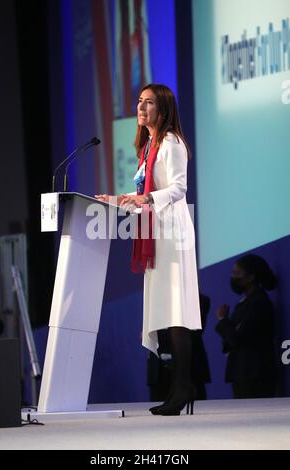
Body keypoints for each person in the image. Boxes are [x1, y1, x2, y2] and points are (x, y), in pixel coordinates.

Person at [95, 83, 202, 415]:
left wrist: (146, 198)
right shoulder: (148, 147)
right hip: (156, 231)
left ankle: (184, 388)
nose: (141, 108)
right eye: (139, 102)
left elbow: (180, 187)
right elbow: (143, 197)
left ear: (164, 108)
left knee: (177, 313)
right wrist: (116, 201)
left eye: (149, 103)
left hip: (172, 233)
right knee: (166, 313)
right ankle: (179, 389)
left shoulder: (171, 143)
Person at [215, 254, 277, 399]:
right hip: (243, 374)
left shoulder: (259, 303)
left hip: (255, 375)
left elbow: (237, 338)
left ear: (250, 277)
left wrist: (223, 319)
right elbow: (232, 339)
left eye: (237, 273)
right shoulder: (244, 303)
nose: (233, 277)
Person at [147, 292, 211, 402]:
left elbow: (192, 333)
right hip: (159, 371)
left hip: (188, 370)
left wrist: (156, 335)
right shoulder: (155, 298)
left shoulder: (198, 299)